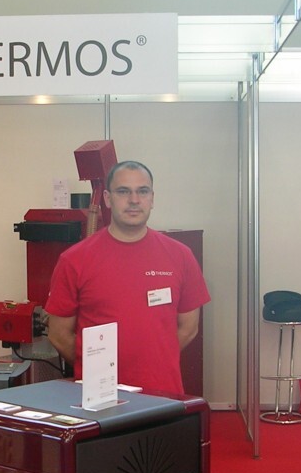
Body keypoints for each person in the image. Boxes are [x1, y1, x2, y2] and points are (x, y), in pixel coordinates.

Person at [44, 160, 210, 395]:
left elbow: (189, 328)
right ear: (108, 199)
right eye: (123, 191)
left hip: (163, 395)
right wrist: (96, 368)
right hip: (100, 397)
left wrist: (155, 359)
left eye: (142, 191)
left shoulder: (180, 256)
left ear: (152, 198)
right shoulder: (74, 260)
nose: (134, 200)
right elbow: (58, 334)